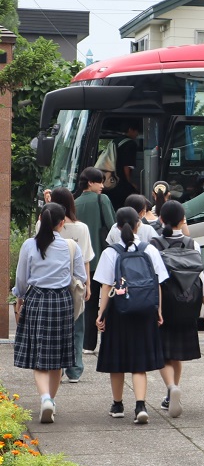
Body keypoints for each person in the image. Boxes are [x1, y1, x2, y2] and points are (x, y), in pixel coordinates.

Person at [12, 203, 87, 423]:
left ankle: (45, 397)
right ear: (62, 223)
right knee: (58, 357)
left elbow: (21, 279)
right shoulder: (71, 246)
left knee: (39, 355)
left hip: (36, 299)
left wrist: (19, 299)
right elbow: (81, 277)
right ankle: (50, 401)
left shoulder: (29, 245)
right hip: (61, 301)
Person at [94, 207, 168, 424]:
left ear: (117, 226)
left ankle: (117, 405)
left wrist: (101, 315)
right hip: (145, 310)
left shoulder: (110, 252)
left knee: (117, 359)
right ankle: (140, 405)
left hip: (118, 310)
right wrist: (158, 310)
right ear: (138, 224)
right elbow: (158, 283)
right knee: (139, 362)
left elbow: (106, 286)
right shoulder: (149, 250)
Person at [151, 200, 204, 418]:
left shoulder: (154, 244)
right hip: (188, 304)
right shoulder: (192, 244)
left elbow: (154, 279)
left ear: (160, 219)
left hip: (164, 305)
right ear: (183, 220)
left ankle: (171, 388)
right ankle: (172, 392)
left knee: (163, 352)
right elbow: (201, 278)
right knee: (176, 352)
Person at [45, 188, 94, 383]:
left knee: (54, 329)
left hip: (50, 282)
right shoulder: (81, 228)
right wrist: (88, 285)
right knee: (76, 327)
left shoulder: (45, 224)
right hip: (74, 283)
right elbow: (85, 260)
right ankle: (74, 369)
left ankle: (56, 368)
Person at [74, 167, 116, 355]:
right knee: (108, 300)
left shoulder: (74, 203)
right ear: (90, 182)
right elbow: (112, 224)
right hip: (102, 258)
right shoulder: (102, 200)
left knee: (88, 302)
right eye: (100, 181)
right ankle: (109, 339)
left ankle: (87, 344)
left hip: (83, 261)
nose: (102, 186)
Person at [104, 120, 140, 210]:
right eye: (136, 131)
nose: (137, 134)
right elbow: (127, 166)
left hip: (111, 181)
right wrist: (129, 183)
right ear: (130, 130)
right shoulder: (130, 144)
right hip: (121, 184)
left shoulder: (114, 141)